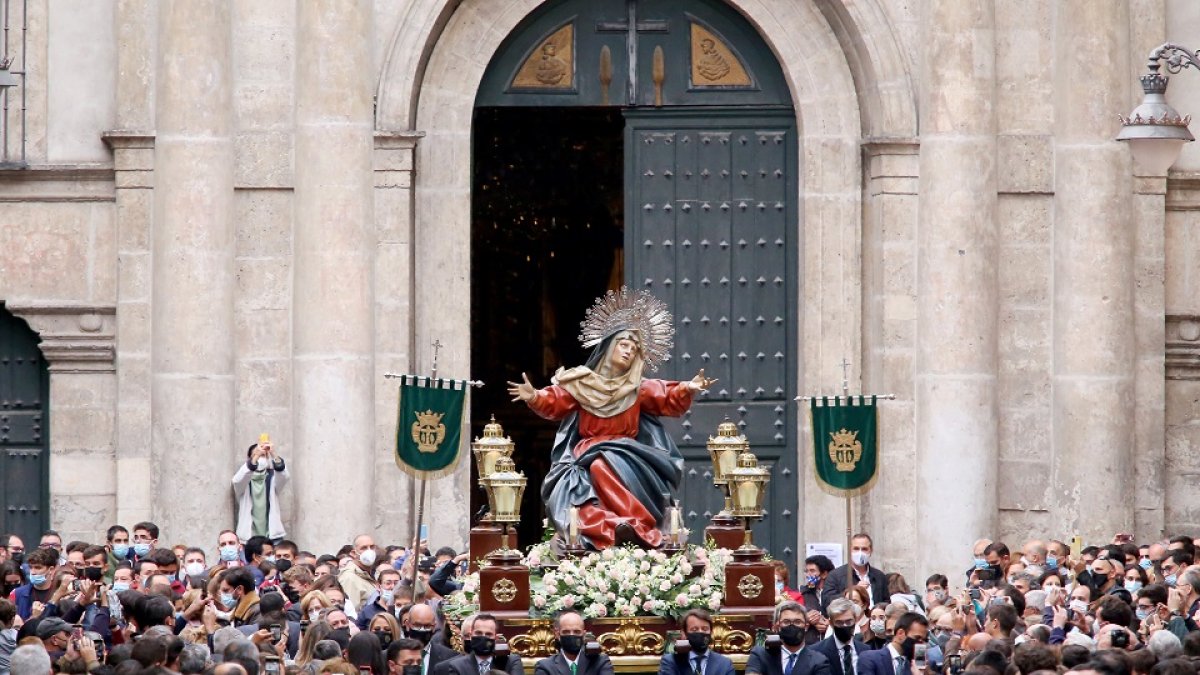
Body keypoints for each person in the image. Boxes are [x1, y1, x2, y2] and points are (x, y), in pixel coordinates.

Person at [508, 289, 713, 549]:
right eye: (624, 345)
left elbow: (666, 396)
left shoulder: (637, 388)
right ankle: (609, 526)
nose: (628, 352)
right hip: (588, 451)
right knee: (593, 468)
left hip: (628, 452)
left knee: (602, 463)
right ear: (609, 347)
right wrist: (534, 396)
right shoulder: (581, 382)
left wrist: (688, 388)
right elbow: (557, 402)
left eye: (634, 349)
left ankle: (631, 524)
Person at [745, 602, 830, 675]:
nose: (792, 626)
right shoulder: (760, 655)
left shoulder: (819, 660)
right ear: (777, 626)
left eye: (798, 622)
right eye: (786, 622)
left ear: (806, 627)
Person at [232, 437, 290, 542]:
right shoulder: (244, 481)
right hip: (249, 537)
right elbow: (237, 480)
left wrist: (273, 453)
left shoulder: (272, 478)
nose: (260, 458)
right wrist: (256, 455)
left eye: (263, 455)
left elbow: (284, 476)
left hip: (272, 537)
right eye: (257, 455)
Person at [432, 613, 523, 675]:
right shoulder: (457, 666)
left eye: (488, 634)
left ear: (496, 638)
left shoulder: (510, 662)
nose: (483, 637)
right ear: (471, 635)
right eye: (478, 633)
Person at [534, 610, 613, 675]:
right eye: (566, 632)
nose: (571, 635)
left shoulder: (600, 662)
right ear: (557, 635)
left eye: (576, 632)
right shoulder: (545, 666)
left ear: (583, 634)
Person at [657, 609, 733, 675]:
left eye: (705, 629)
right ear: (684, 633)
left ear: (711, 632)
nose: (700, 632)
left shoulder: (725, 664)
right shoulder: (671, 661)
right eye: (694, 629)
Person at [820, 534, 889, 609]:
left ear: (871, 551)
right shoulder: (835, 576)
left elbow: (886, 601)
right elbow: (827, 601)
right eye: (856, 548)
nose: (860, 553)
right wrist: (851, 591)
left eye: (864, 549)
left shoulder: (879, 576)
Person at [855, 612, 928, 675]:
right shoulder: (870, 658)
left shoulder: (915, 666)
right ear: (900, 633)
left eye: (924, 640)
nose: (921, 643)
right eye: (917, 638)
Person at [812, 599, 869, 675]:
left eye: (848, 621)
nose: (845, 626)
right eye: (839, 622)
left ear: (855, 620)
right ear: (831, 624)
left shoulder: (865, 650)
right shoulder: (817, 652)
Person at [404, 604, 457, 675]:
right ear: (407, 625)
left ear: (434, 627)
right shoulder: (389, 654)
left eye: (427, 626)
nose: (422, 630)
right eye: (417, 625)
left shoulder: (450, 657)